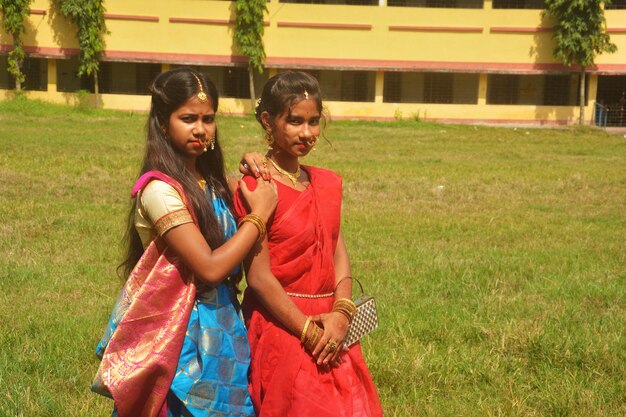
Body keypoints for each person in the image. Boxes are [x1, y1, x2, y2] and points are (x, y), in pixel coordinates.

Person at [92, 67, 277, 417]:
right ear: (162, 122)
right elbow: (210, 267)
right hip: (175, 335)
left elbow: (248, 194)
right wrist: (258, 217)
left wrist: (255, 164)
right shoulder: (159, 190)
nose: (201, 129)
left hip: (223, 326)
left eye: (209, 119)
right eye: (188, 118)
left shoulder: (212, 181)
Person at [233, 71, 384, 417]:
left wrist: (342, 314)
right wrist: (307, 331)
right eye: (295, 121)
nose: (306, 133)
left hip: (332, 326)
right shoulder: (258, 187)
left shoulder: (323, 183)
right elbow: (258, 278)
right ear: (269, 121)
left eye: (314, 122)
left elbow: (337, 254)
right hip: (282, 326)